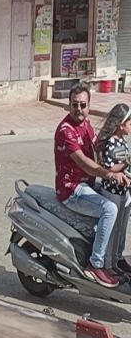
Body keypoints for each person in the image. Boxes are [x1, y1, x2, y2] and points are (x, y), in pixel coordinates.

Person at [54, 82, 128, 287]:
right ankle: (95, 265)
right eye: (75, 105)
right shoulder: (65, 130)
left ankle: (114, 258)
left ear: (89, 105)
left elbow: (98, 150)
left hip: (88, 184)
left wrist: (121, 167)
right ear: (69, 105)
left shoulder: (86, 125)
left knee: (125, 201)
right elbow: (85, 164)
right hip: (71, 189)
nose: (79, 109)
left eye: (82, 105)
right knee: (110, 208)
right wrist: (109, 175)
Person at [95, 103, 131, 276]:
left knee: (121, 230)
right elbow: (109, 168)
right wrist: (126, 163)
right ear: (121, 125)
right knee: (113, 230)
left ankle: (116, 259)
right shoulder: (110, 143)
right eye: (130, 123)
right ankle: (107, 265)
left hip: (124, 192)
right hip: (112, 194)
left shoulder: (122, 141)